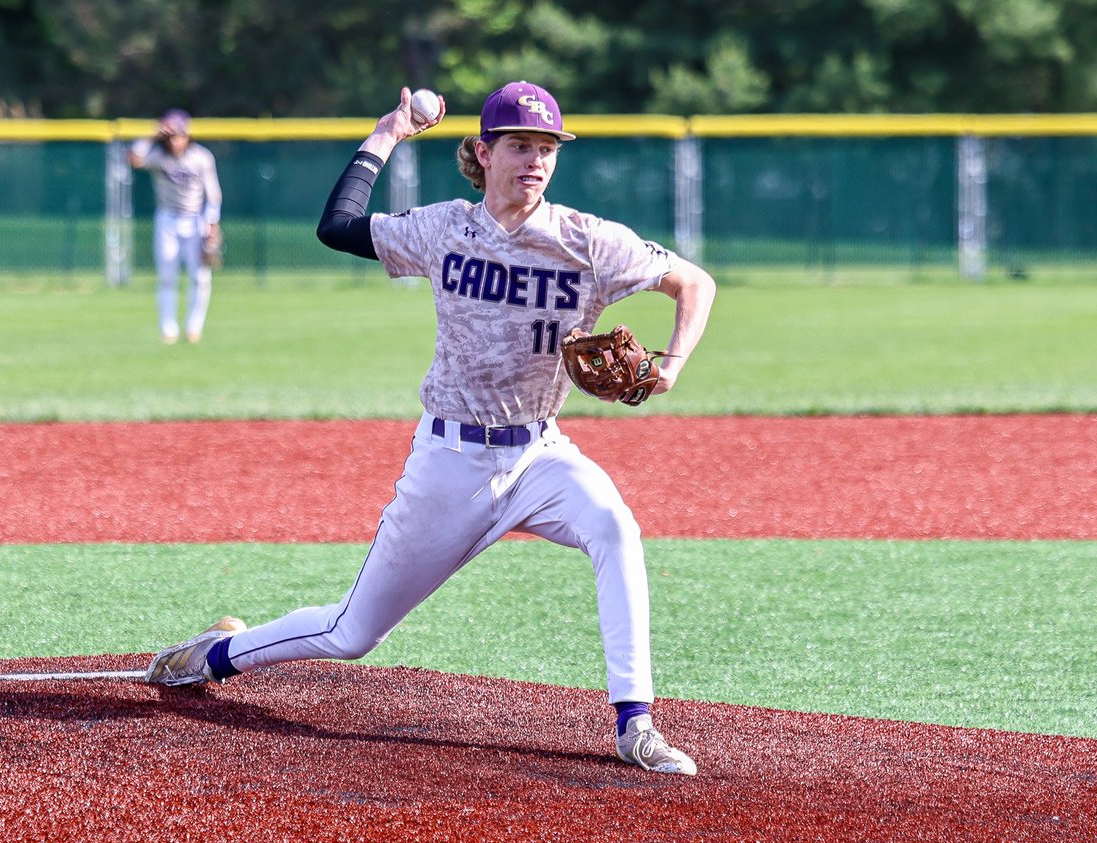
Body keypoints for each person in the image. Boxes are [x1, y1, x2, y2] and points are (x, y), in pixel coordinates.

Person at [146, 82, 718, 776]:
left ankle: (636, 724)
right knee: (350, 632)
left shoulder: (588, 242)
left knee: (613, 524)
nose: (535, 160)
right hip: (450, 461)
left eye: (546, 149)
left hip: (539, 453)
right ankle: (212, 654)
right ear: (485, 151)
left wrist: (673, 365)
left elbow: (695, 283)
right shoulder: (445, 228)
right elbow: (337, 226)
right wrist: (388, 132)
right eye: (519, 146)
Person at [127, 109, 223, 344]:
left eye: (179, 135)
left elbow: (213, 195)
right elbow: (133, 159)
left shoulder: (201, 157)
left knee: (200, 277)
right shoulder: (159, 156)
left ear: (188, 136)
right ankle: (168, 329)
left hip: (195, 220)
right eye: (171, 136)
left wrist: (212, 225)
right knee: (167, 275)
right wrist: (152, 135)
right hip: (167, 219)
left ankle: (194, 328)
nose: (176, 140)